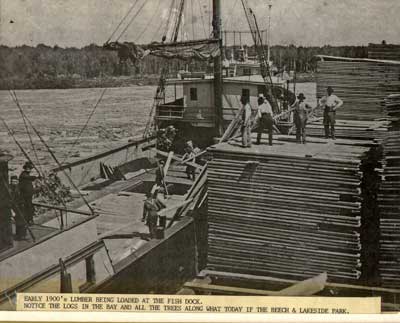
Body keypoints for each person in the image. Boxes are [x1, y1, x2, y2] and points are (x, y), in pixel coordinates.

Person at [9, 175, 26, 240]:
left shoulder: (19, 187)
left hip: (21, 205)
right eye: (13, 181)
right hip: (14, 207)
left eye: (15, 181)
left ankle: (23, 234)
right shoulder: (9, 189)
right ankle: (19, 235)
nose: (14, 183)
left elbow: (23, 195)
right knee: (18, 221)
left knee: (23, 220)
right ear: (11, 181)